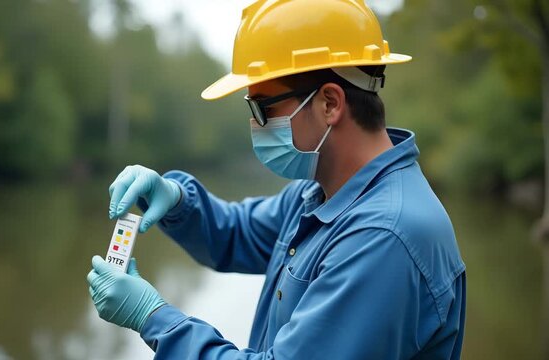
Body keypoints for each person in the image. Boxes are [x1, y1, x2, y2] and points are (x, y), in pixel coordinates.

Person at [86, 0, 466, 358]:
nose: (255, 125)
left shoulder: (384, 238)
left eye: (263, 107)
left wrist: (154, 319)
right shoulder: (321, 192)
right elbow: (237, 233)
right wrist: (176, 200)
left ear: (330, 103)